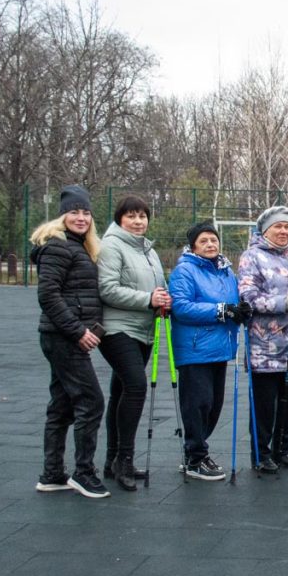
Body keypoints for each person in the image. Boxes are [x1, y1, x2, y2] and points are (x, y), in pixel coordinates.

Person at [30, 185, 109, 498]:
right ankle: (83, 472)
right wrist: (78, 330)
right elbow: (47, 295)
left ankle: (52, 474)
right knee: (91, 402)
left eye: (85, 212)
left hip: (63, 336)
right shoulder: (59, 246)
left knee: (62, 405)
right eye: (74, 212)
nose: (81, 217)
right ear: (62, 216)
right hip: (63, 337)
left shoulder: (79, 246)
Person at [96, 195, 170, 491]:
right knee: (136, 387)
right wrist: (148, 300)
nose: (139, 221)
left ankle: (112, 459)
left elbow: (157, 285)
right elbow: (108, 288)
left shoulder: (147, 249)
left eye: (142, 216)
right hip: (117, 329)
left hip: (143, 329)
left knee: (121, 390)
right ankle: (125, 459)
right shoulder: (111, 245)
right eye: (132, 216)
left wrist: (164, 298)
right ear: (119, 219)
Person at [169, 221, 250, 481]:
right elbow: (181, 307)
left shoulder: (226, 271)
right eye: (203, 241)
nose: (210, 244)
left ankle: (195, 452)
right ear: (193, 245)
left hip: (220, 348)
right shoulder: (185, 271)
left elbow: (233, 302)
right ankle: (195, 456)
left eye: (213, 240)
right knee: (198, 403)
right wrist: (221, 310)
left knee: (213, 407)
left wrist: (240, 310)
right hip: (195, 348)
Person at [238, 206, 288, 474]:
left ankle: (283, 449)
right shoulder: (251, 257)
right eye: (277, 226)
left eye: (287, 226)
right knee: (265, 404)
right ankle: (261, 452)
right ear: (265, 230)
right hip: (265, 345)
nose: (283, 231)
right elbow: (249, 298)